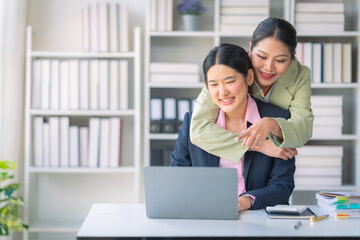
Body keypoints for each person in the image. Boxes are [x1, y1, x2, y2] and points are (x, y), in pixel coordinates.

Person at [171, 43, 295, 211]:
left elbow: (282, 187)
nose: (223, 93)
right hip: (206, 216)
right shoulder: (193, 123)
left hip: (258, 218)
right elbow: (177, 180)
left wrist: (246, 201)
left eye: (230, 81)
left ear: (249, 77)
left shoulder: (278, 120)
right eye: (214, 85)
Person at [190, 17, 313, 163]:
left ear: (292, 58)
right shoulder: (231, 66)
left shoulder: (300, 74)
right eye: (261, 56)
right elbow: (198, 130)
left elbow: (303, 128)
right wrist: (255, 145)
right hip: (239, 146)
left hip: (276, 150)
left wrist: (271, 124)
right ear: (250, 48)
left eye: (280, 60)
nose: (268, 67)